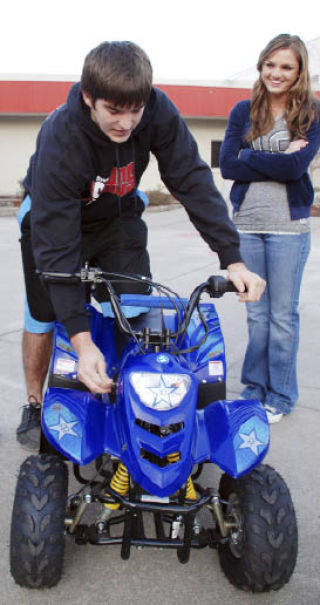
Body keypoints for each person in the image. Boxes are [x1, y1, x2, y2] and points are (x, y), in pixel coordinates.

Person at [17, 40, 265, 449]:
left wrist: (232, 259)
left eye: (136, 111)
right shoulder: (61, 135)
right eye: (114, 111)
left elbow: (191, 178)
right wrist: (81, 341)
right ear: (88, 97)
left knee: (135, 306)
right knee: (46, 315)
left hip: (117, 217)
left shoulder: (157, 110)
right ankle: (35, 401)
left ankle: (121, 397)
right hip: (52, 219)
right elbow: (57, 247)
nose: (127, 123)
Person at [220, 34, 320, 423]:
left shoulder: (310, 114)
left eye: (286, 67)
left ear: (299, 72)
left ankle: (279, 395)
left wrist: (250, 155)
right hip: (246, 225)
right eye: (270, 65)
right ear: (261, 67)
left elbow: (295, 169)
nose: (276, 73)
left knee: (281, 317)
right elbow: (228, 165)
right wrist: (273, 156)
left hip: (288, 229)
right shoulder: (243, 111)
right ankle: (252, 389)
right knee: (256, 317)